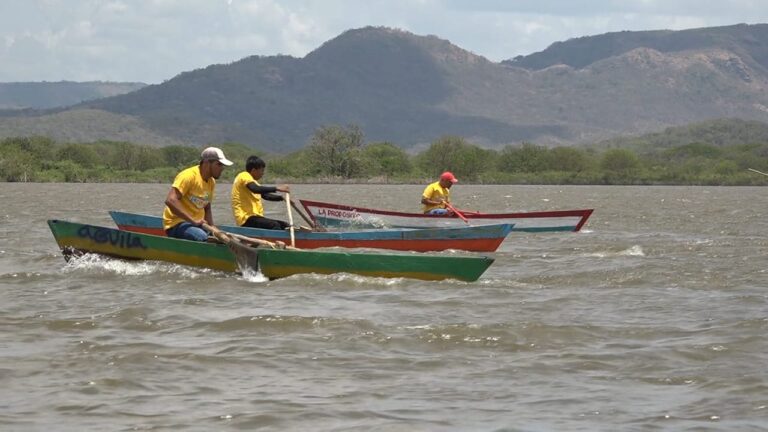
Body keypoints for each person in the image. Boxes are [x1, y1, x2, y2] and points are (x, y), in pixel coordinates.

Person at [162, 146, 233, 241]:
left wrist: (213, 228)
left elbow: (207, 207)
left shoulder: (211, 181)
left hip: (198, 224)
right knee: (203, 237)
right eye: (219, 164)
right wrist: (193, 220)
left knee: (221, 238)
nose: (222, 168)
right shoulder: (188, 176)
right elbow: (170, 200)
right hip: (177, 224)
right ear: (207, 163)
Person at [231, 156, 291, 230]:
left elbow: (266, 195)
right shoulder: (244, 175)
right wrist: (277, 188)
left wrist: (282, 198)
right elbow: (255, 189)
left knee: (285, 225)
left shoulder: (253, 182)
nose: (262, 173)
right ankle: (276, 241)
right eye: (261, 170)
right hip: (246, 219)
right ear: (253, 170)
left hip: (256, 218)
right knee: (274, 225)